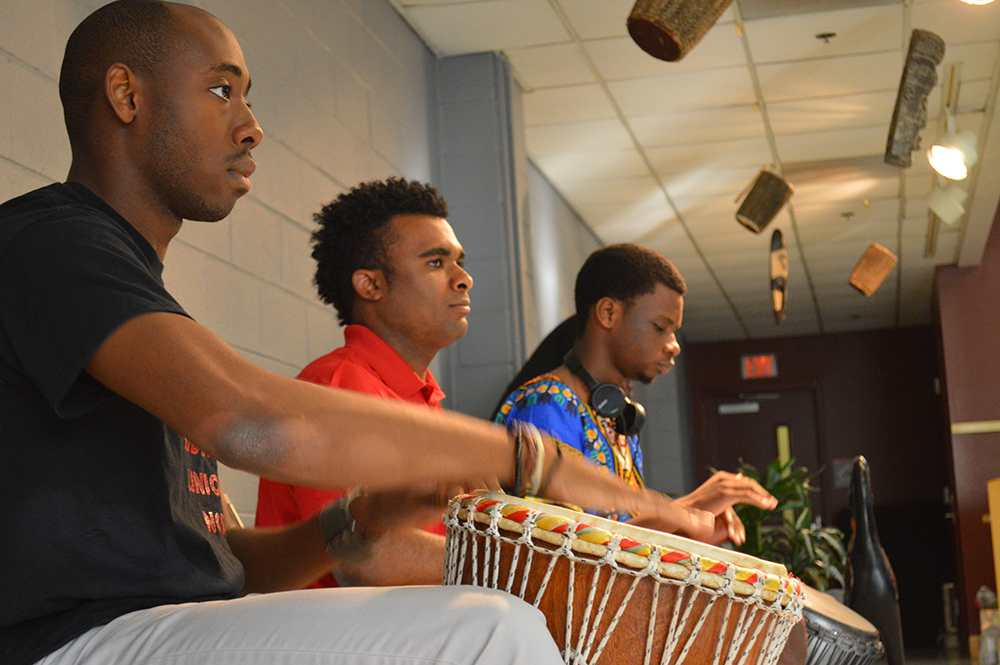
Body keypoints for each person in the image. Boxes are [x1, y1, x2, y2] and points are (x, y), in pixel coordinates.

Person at [0, 3, 714, 665]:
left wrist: (362, 514)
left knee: (495, 621)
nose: (250, 126)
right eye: (222, 91)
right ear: (127, 97)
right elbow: (254, 422)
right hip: (77, 643)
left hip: (164, 624)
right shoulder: (49, 242)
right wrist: (535, 460)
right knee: (493, 627)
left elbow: (233, 564)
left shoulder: (135, 295)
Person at [256, 178, 467, 588]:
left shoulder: (421, 396)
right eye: (436, 262)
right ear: (371, 284)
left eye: (460, 261)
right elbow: (366, 558)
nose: (463, 278)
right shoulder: (337, 386)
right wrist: (511, 567)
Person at [497, 244, 776, 544]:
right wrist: (688, 509)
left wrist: (691, 528)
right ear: (608, 313)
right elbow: (561, 551)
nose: (674, 345)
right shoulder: (545, 405)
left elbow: (624, 541)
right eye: (660, 327)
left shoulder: (618, 418)